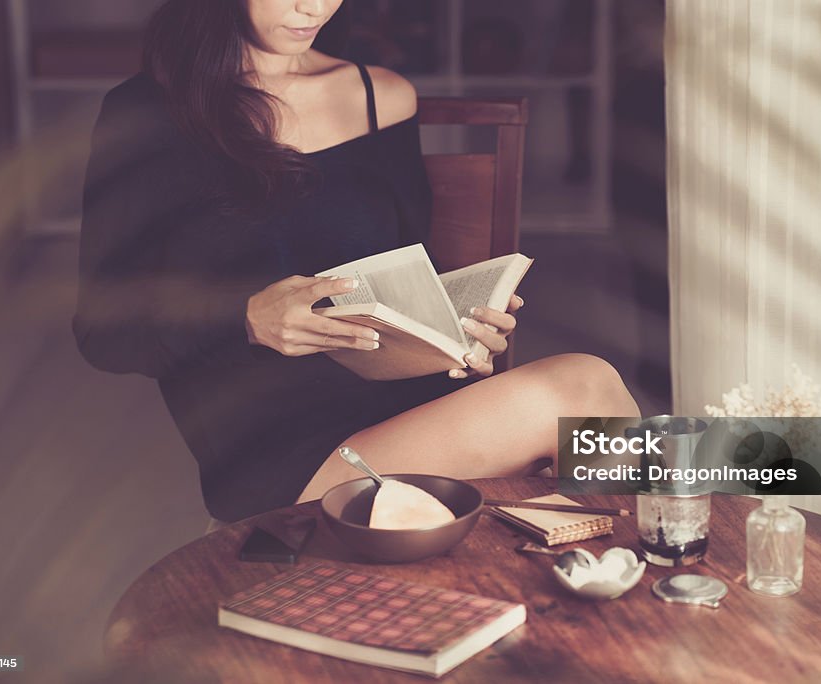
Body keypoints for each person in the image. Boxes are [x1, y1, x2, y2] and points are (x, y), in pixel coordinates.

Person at [73, 0, 639, 523]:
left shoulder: (379, 96)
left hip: (419, 413)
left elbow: (410, 275)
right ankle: (706, 521)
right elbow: (103, 333)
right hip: (287, 457)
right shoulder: (147, 113)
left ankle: (688, 536)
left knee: (608, 452)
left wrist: (459, 328)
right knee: (584, 389)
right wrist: (245, 318)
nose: (313, 6)